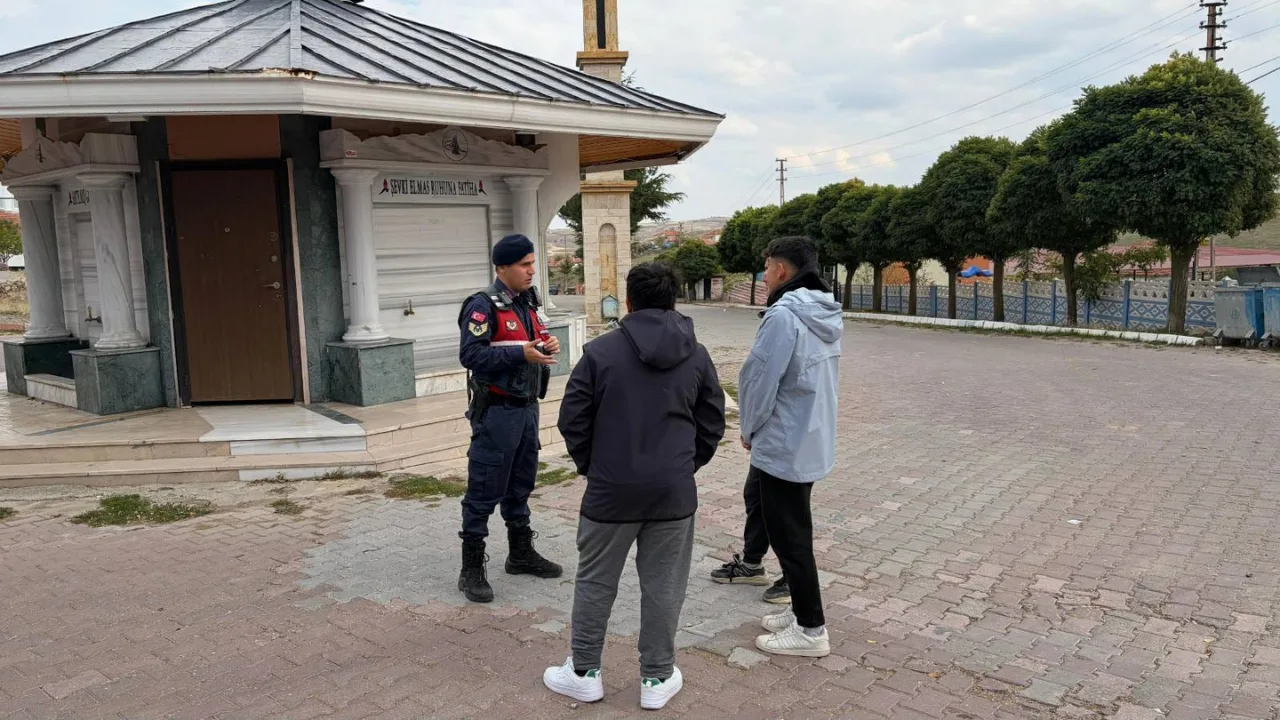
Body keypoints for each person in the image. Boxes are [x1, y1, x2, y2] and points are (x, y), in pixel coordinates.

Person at [545, 262, 725, 710]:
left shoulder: (599, 353)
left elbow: (573, 420)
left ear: (627, 301)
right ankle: (656, 679)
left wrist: (597, 468)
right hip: (673, 493)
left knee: (595, 581)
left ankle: (584, 672)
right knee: (664, 585)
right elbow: (712, 422)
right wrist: (682, 467)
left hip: (611, 491)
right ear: (674, 300)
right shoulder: (697, 354)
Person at [737, 236, 842, 658]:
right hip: (810, 436)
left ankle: (811, 630)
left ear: (781, 270)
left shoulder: (784, 315)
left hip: (783, 440)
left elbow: (760, 380)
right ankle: (800, 611)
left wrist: (749, 427)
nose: (764, 276)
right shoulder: (825, 310)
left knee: (790, 536)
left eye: (766, 267)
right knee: (792, 529)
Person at [455, 233, 563, 604]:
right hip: (497, 413)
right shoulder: (483, 306)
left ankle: (520, 553)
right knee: (484, 488)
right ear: (502, 268)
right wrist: (522, 355)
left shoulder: (527, 303)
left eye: (533, 263)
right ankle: (471, 568)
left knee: (520, 485)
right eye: (524, 264)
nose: (532, 270)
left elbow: (534, 340)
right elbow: (471, 356)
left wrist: (547, 345)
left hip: (527, 409)